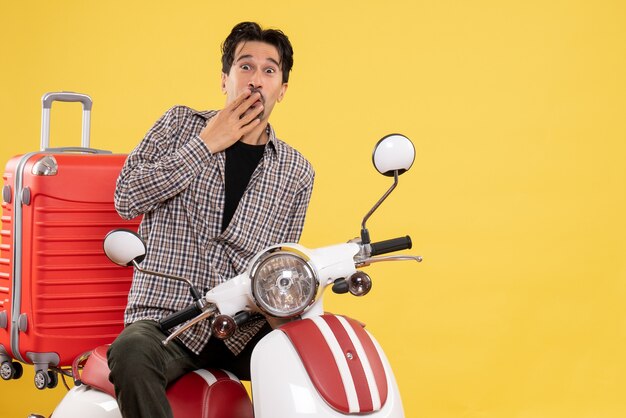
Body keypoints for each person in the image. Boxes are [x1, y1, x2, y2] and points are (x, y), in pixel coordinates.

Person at [107, 21, 314, 418]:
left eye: (270, 70)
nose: (256, 80)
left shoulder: (297, 171)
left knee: (324, 342)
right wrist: (205, 145)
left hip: (241, 329)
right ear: (225, 79)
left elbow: (277, 263)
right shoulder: (179, 124)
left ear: (282, 90)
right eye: (246, 66)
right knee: (131, 352)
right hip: (168, 321)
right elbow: (126, 197)